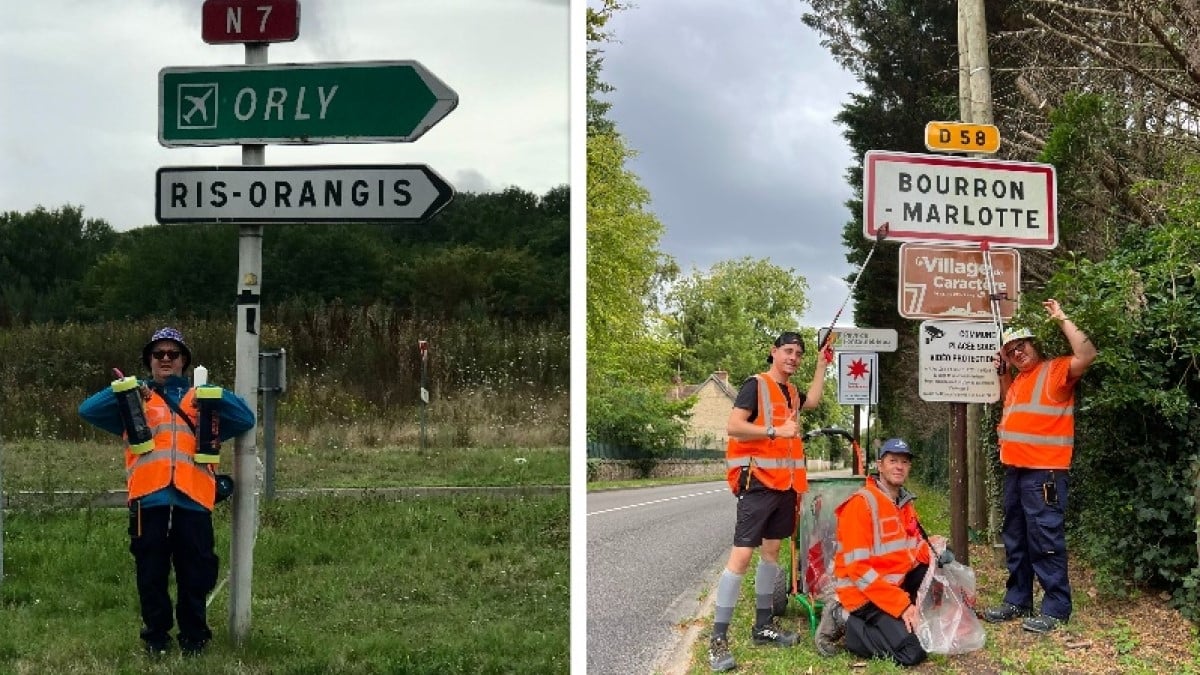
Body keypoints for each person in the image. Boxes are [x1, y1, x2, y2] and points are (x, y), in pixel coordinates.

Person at [79, 327, 255, 657]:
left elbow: (245, 418)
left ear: (184, 361)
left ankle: (195, 640)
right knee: (151, 574)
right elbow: (87, 410)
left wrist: (213, 393)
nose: (165, 359)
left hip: (194, 500)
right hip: (150, 500)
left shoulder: (202, 400)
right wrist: (125, 389)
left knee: (196, 574)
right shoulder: (134, 401)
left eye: (172, 354)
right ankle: (156, 640)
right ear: (149, 361)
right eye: (158, 354)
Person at [707, 331, 833, 672]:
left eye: (799, 354)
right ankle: (718, 638)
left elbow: (814, 402)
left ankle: (763, 626)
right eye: (788, 351)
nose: (793, 357)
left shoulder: (791, 391)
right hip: (758, 482)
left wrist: (822, 364)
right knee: (742, 556)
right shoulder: (756, 385)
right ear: (773, 352)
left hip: (785, 486)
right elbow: (734, 426)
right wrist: (775, 431)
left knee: (772, 554)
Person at [982, 299, 1096, 634]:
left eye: (1022, 346)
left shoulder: (1055, 370)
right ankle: (1018, 599)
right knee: (1016, 539)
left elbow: (1087, 355)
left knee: (1045, 539)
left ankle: (1056, 608)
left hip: (1044, 474)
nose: (1018, 353)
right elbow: (1013, 409)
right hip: (1016, 472)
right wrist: (1003, 374)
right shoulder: (1019, 381)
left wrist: (1062, 316)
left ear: (1035, 345)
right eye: (1011, 350)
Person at [814, 437, 949, 667]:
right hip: (862, 595)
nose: (899, 466)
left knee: (936, 569)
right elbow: (859, 571)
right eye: (893, 460)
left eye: (904, 462)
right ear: (880, 465)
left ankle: (904, 618)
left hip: (890, 587)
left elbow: (910, 549)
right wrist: (902, 605)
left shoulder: (904, 503)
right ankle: (843, 619)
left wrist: (933, 551)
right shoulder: (861, 504)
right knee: (913, 652)